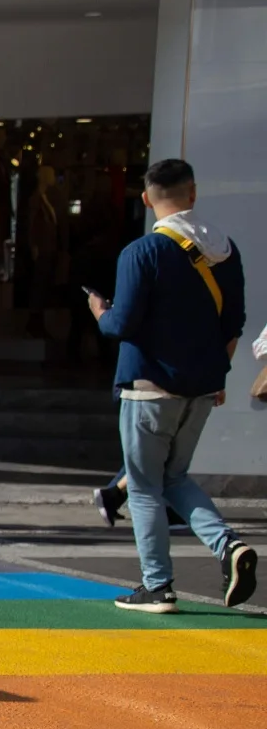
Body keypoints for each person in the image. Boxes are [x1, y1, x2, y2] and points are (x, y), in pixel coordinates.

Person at [90, 158, 254, 611]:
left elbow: (121, 324)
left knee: (143, 485)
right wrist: (217, 375)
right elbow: (233, 322)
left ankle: (157, 586)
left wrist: (99, 311)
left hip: (148, 386)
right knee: (174, 476)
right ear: (193, 193)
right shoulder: (227, 249)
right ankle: (230, 546)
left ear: (146, 198)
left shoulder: (141, 252)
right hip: (201, 387)